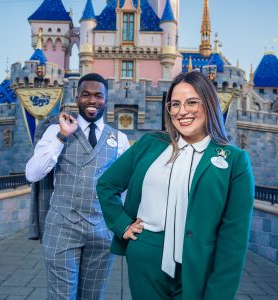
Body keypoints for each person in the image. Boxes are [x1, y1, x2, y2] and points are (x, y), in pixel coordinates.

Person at [96, 71, 254, 300]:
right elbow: (106, 184)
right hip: (146, 255)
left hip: (199, 263)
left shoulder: (234, 160)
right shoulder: (150, 145)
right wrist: (122, 224)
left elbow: (234, 241)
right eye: (175, 104)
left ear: (209, 103)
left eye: (192, 102)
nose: (182, 111)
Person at [25, 73, 130, 300]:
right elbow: (32, 173)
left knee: (92, 296)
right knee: (62, 296)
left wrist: (122, 225)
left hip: (101, 231)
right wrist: (63, 135)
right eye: (86, 95)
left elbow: (122, 190)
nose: (92, 100)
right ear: (77, 97)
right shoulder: (56, 131)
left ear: (106, 100)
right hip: (62, 227)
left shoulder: (119, 139)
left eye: (98, 96)